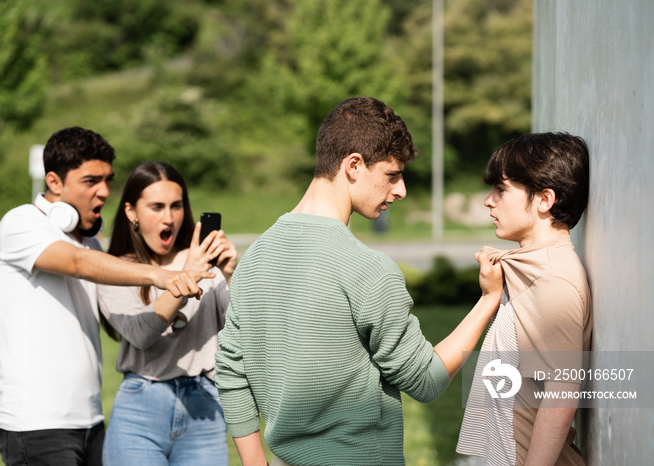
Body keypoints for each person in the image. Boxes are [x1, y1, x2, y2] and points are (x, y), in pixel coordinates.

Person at [214, 97, 504, 466]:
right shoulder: (368, 268)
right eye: (392, 174)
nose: (400, 191)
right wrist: (488, 300)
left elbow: (230, 371)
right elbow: (427, 380)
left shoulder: (255, 256)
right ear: (354, 165)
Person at [0, 127, 210, 466]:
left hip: (89, 421)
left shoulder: (89, 242)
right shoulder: (21, 223)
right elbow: (77, 263)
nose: (104, 191)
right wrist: (160, 275)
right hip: (36, 424)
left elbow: (129, 317)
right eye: (91, 181)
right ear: (54, 182)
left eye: (108, 180)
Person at [456, 132, 592, 465]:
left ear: (544, 200)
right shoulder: (533, 268)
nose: (489, 201)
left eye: (501, 190)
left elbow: (562, 393)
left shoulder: (551, 279)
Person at [96, 161, 237, 465]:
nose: (169, 218)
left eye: (176, 206)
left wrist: (230, 275)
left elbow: (242, 331)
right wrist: (184, 280)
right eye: (156, 207)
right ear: (131, 212)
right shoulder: (118, 270)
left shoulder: (203, 262)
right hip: (141, 406)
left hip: (205, 407)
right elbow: (141, 335)